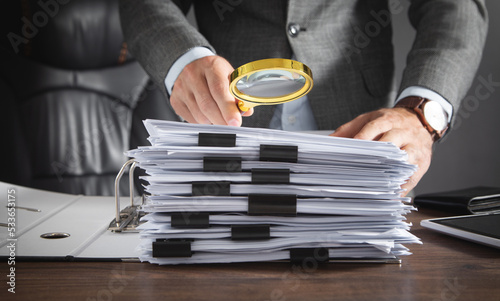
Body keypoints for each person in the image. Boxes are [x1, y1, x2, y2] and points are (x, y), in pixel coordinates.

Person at [118, 0, 488, 195]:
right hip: (228, 125)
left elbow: (453, 6)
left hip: (356, 129)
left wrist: (421, 112)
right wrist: (184, 58)